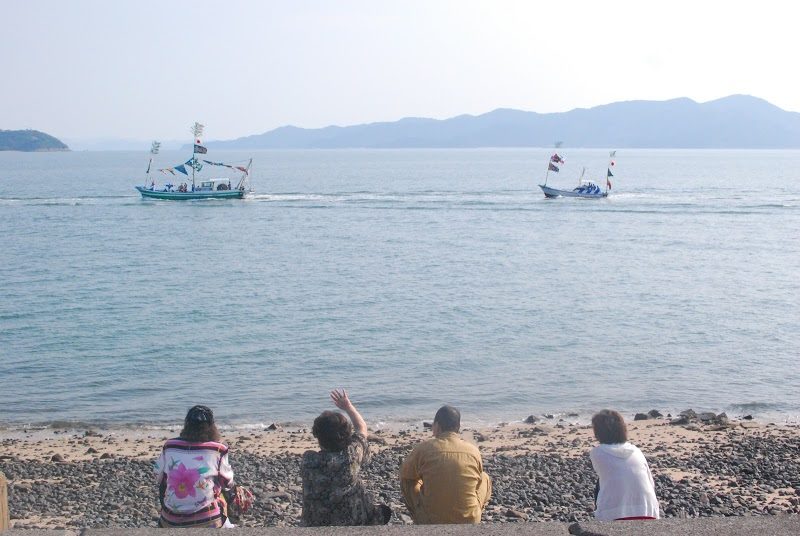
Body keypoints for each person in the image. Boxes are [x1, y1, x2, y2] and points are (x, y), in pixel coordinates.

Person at [301, 389, 391, 526]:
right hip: (351, 523)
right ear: (347, 435)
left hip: (315, 524)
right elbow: (361, 428)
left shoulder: (308, 460)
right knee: (384, 512)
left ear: (318, 437)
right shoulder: (352, 454)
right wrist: (348, 407)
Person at [400, 405, 491, 524]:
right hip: (469, 520)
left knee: (407, 481)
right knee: (484, 478)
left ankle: (420, 515)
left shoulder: (424, 448)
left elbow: (406, 475)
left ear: (436, 426)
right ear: (458, 427)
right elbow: (477, 478)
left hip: (430, 520)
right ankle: (471, 511)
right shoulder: (473, 450)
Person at [154, 405, 236, 528]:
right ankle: (227, 523)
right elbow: (228, 483)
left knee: (165, 482)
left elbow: (157, 475)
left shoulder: (170, 446)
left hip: (171, 520)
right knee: (223, 489)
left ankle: (166, 516)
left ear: (186, 424)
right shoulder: (218, 449)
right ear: (212, 427)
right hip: (207, 520)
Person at [589, 409, 660, 521]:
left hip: (614, 514)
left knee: (601, 482)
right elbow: (651, 483)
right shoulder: (636, 450)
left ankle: (600, 516)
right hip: (649, 511)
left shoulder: (597, 453)